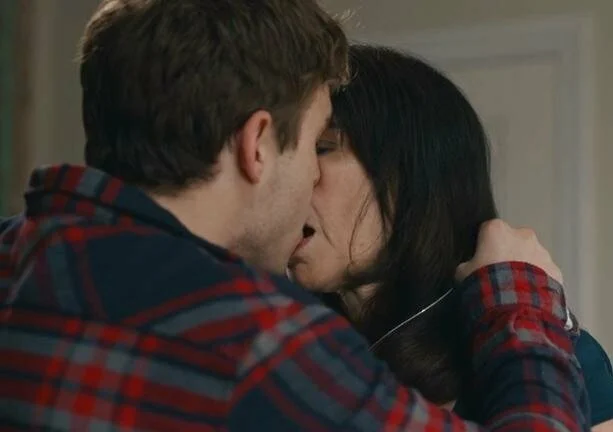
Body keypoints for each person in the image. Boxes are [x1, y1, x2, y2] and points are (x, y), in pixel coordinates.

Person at [0, 1, 589, 430]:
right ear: (257, 144)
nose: (309, 176)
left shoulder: (17, 260)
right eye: (315, 144)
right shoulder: (266, 344)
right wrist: (522, 299)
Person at [288, 44, 611, 428]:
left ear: (410, 174)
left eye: (322, 148)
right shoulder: (285, 349)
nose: (295, 178)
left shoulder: (565, 357)